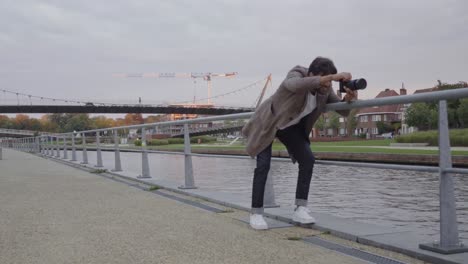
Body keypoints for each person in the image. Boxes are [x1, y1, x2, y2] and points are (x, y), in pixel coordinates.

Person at [242, 57, 358, 230]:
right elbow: (294, 85)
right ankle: (256, 213)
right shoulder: (296, 74)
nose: (326, 86)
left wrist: (350, 99)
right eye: (324, 80)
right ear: (311, 74)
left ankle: (300, 208)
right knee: (263, 165)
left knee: (308, 160)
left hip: (291, 127)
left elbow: (342, 111)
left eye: (329, 81)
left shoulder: (325, 89)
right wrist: (331, 78)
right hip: (269, 123)